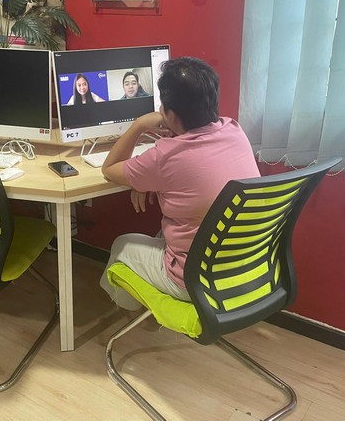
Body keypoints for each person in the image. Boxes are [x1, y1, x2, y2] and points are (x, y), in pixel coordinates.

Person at [99, 57, 260, 309]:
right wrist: (148, 181)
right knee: (162, 234)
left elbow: (109, 168)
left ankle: (134, 310)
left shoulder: (165, 156)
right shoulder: (234, 130)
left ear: (171, 115)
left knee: (123, 245)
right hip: (245, 268)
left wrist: (139, 125)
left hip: (197, 279)